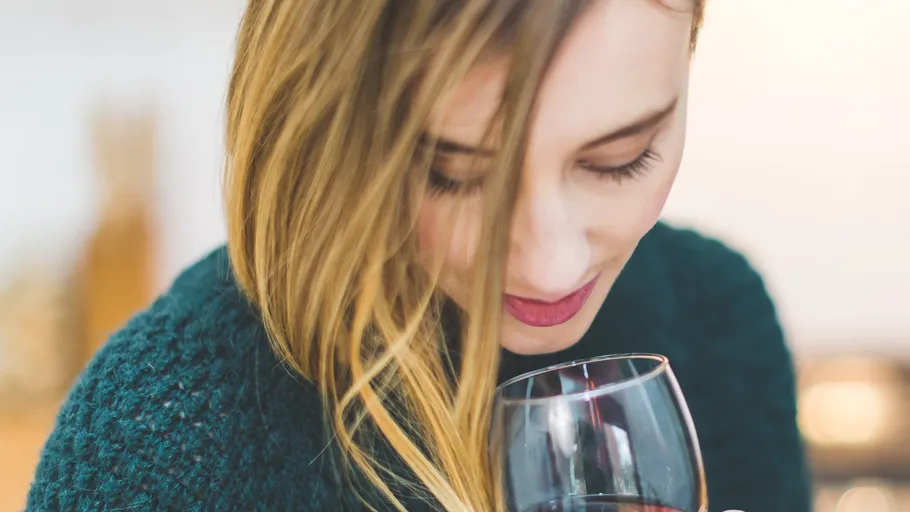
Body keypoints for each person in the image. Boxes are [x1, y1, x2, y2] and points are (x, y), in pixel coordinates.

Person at [28, 1, 811, 511]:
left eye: (621, 159)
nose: (549, 266)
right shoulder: (162, 439)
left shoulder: (717, 319)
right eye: (455, 176)